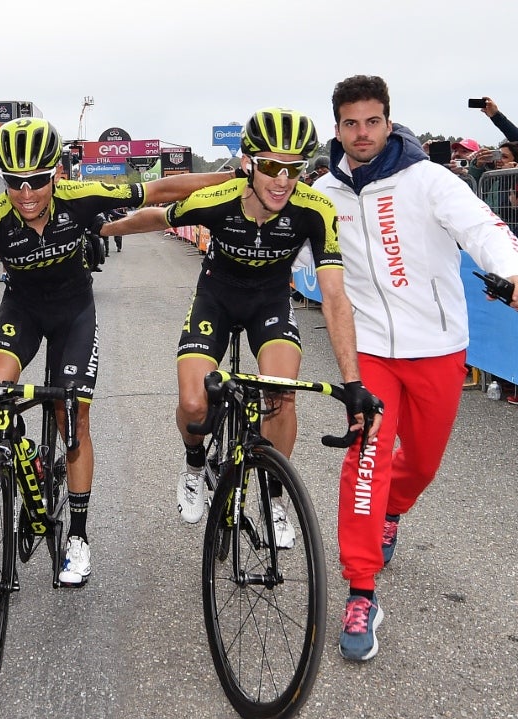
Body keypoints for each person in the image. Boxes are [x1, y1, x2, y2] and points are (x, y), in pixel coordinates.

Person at [0, 118, 237, 588]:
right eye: (13, 181)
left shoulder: (81, 196)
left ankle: (78, 536)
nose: (25, 193)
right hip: (22, 310)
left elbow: (158, 190)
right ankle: (22, 454)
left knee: (73, 418)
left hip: (74, 312)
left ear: (56, 174)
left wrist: (234, 177)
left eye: (37, 180)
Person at [313, 75, 518, 661]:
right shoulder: (323, 192)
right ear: (337, 128)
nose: (361, 133)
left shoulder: (430, 179)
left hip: (436, 347)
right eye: (350, 123)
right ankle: (361, 588)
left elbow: (483, 229)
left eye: (372, 121)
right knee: (365, 457)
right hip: (367, 351)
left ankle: (394, 509)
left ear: (388, 122)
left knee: (420, 463)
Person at [99, 107, 379, 546]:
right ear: (248, 163)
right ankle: (194, 466)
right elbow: (158, 217)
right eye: (271, 166)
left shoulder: (315, 209)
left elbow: (335, 297)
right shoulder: (218, 198)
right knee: (194, 403)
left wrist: (354, 381)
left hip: (270, 303)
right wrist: (105, 230)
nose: (282, 180)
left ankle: (274, 498)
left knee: (281, 394)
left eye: (294, 168)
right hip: (217, 299)